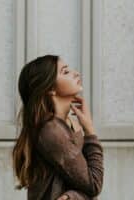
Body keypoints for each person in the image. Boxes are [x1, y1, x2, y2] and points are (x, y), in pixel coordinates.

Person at [12, 55, 104, 199]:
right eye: (65, 72)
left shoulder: (70, 123)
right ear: (50, 88)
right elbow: (94, 184)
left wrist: (72, 196)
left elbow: (82, 183)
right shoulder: (51, 131)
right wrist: (90, 132)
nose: (76, 73)